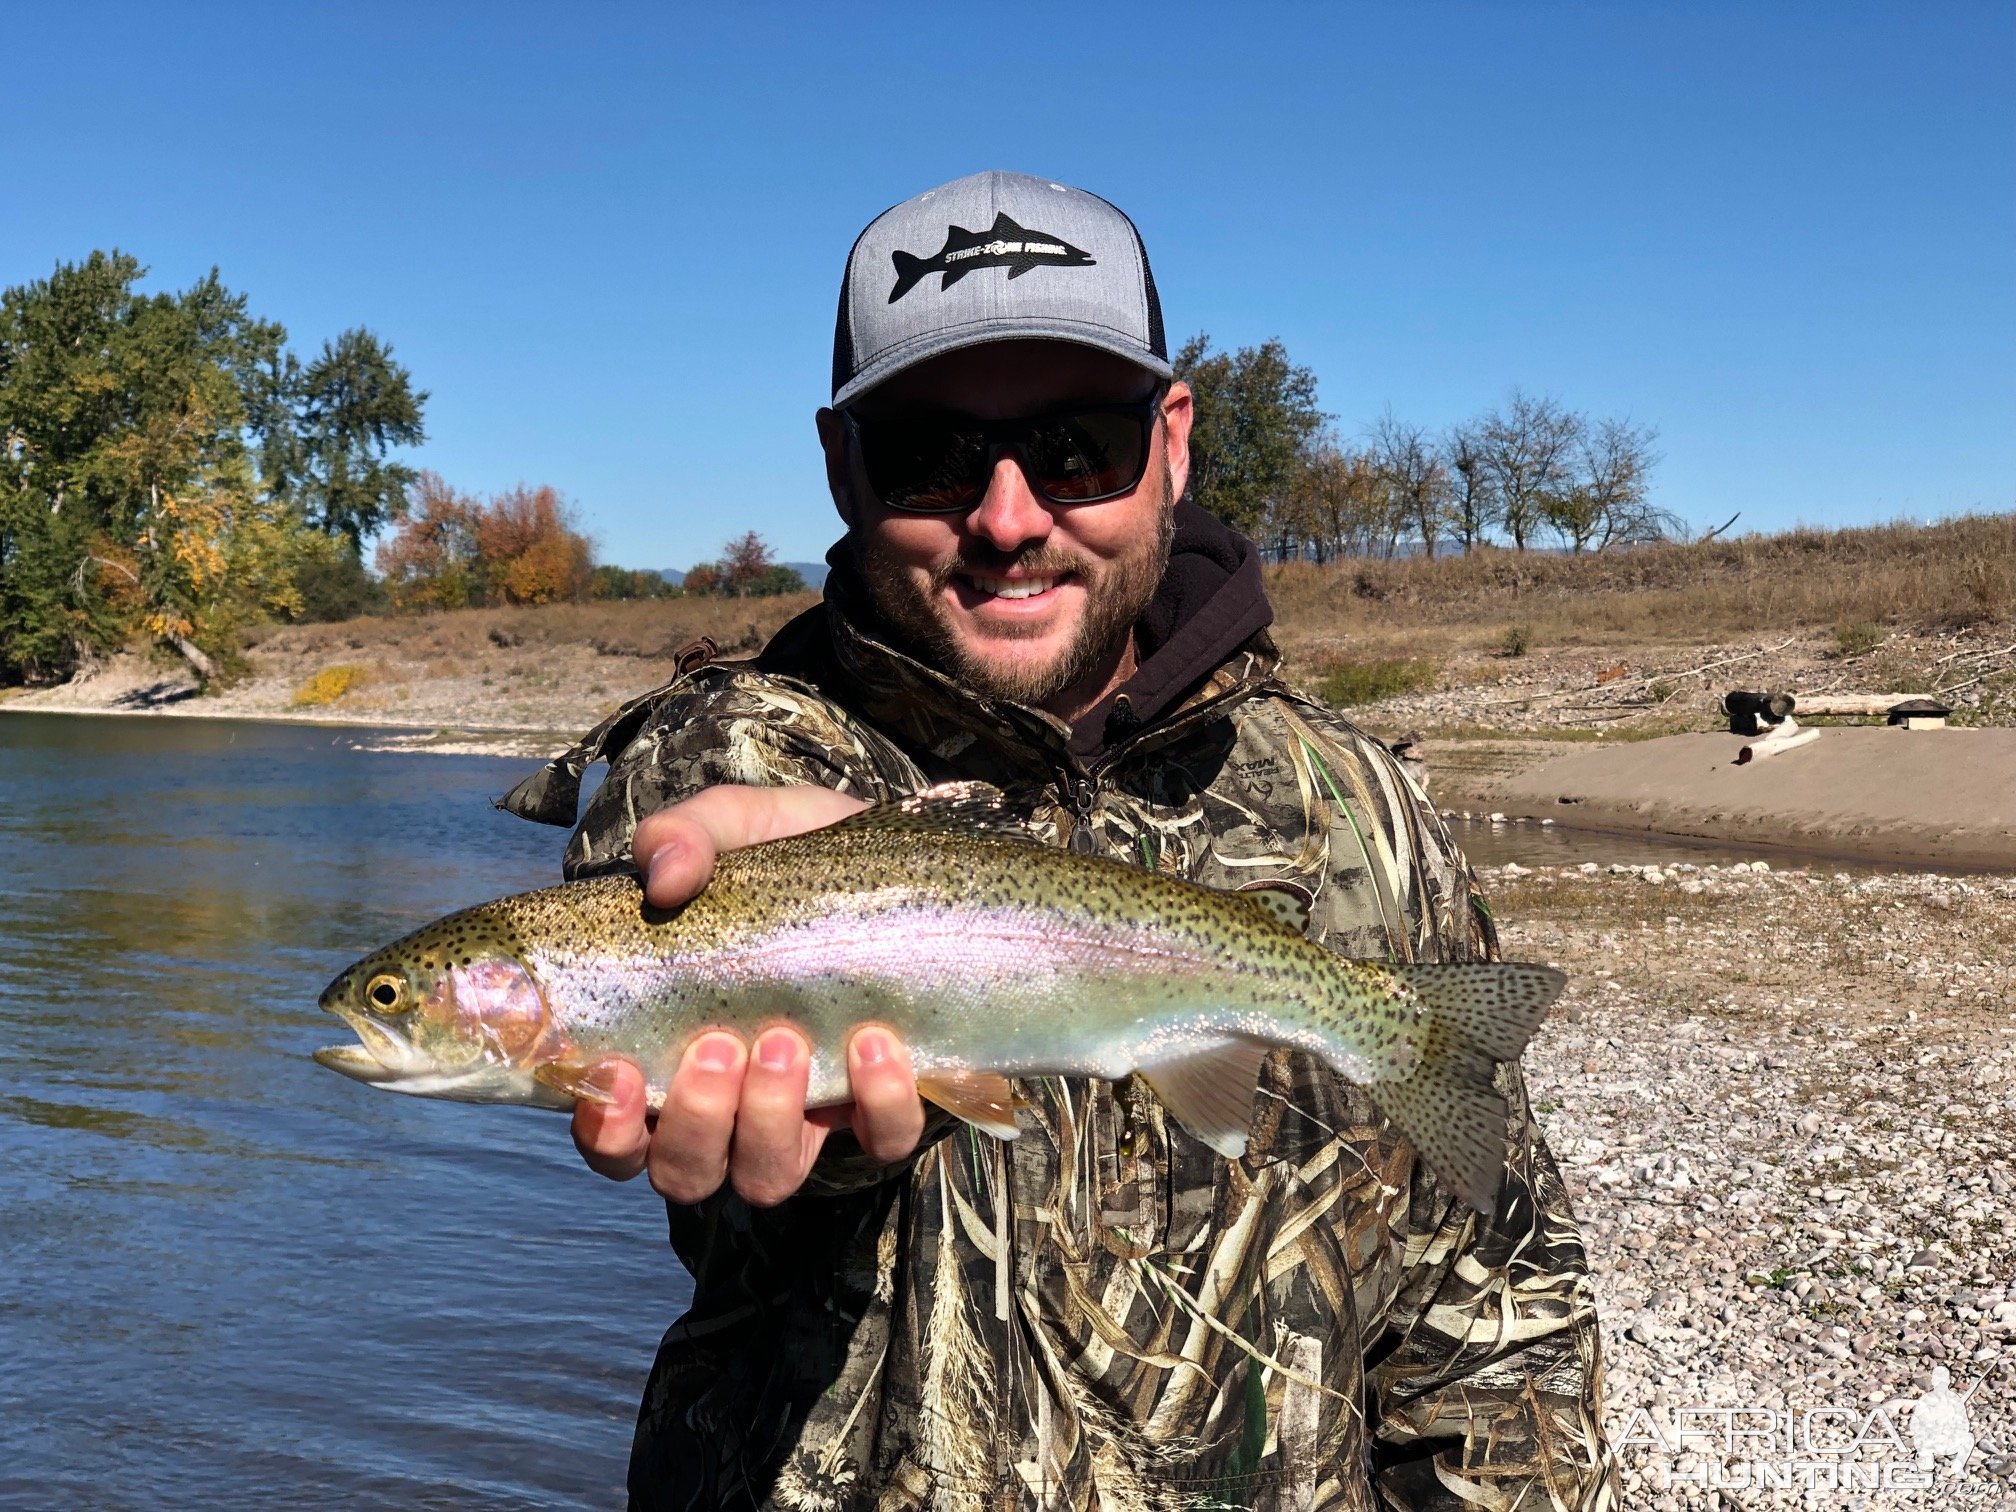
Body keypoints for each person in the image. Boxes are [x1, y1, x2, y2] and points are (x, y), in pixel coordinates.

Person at [503, 170, 1616, 1512]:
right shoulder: (733, 765)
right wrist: (829, 985)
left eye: (1080, 444)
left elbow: (1499, 1323)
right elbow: (679, 939)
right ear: (842, 467)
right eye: (931, 455)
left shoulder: (1354, 805)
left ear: (1175, 444)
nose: (1012, 518)